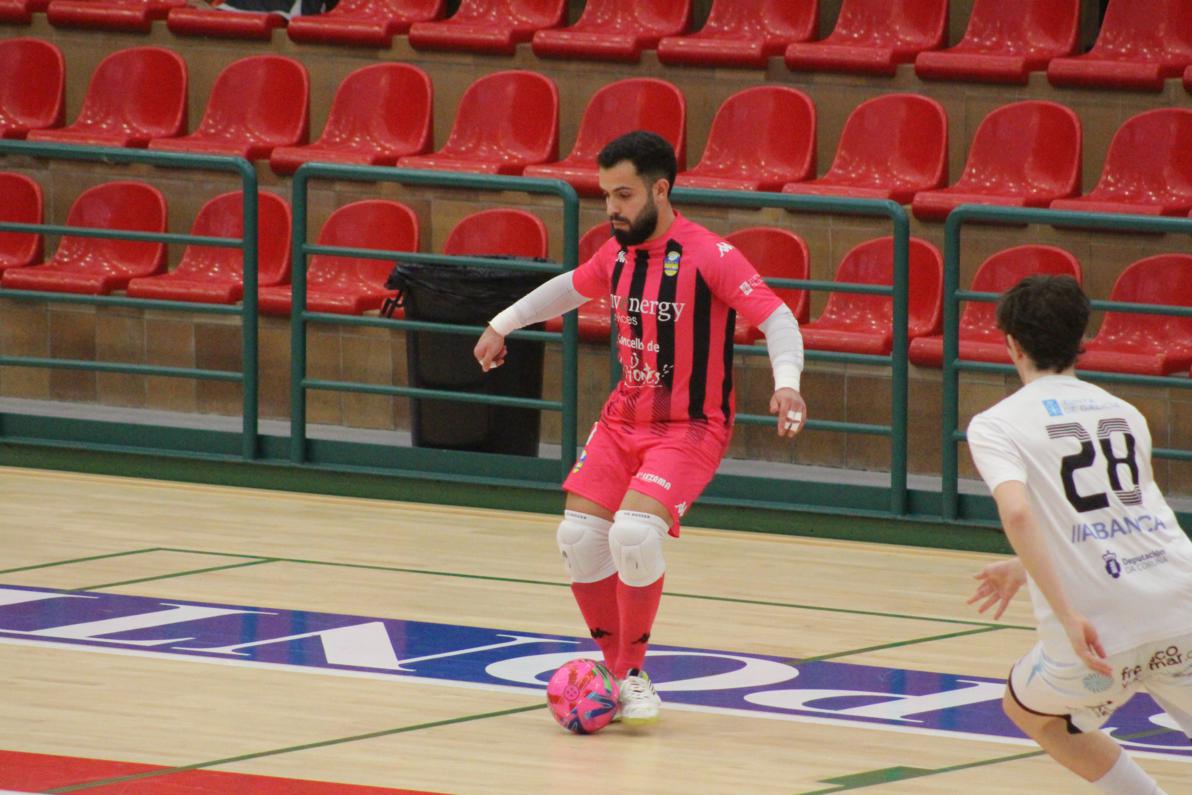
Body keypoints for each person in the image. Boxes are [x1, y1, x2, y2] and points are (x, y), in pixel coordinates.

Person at [473, 130, 807, 725]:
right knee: (577, 537)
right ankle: (619, 674)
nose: (612, 208)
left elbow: (778, 318)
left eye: (623, 195)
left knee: (632, 533)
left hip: (690, 427)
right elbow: (569, 288)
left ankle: (629, 673)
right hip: (622, 419)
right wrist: (503, 323)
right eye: (606, 195)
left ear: (660, 189)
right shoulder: (618, 254)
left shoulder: (710, 255)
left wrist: (787, 382)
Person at [965, 274, 1192, 794]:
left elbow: (1018, 514)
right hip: (1181, 600)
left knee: (1030, 711)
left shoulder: (996, 424)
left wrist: (1067, 616)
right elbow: (1120, 522)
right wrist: (1024, 566)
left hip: (1102, 631)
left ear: (1012, 345)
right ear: (1081, 339)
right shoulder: (1125, 412)